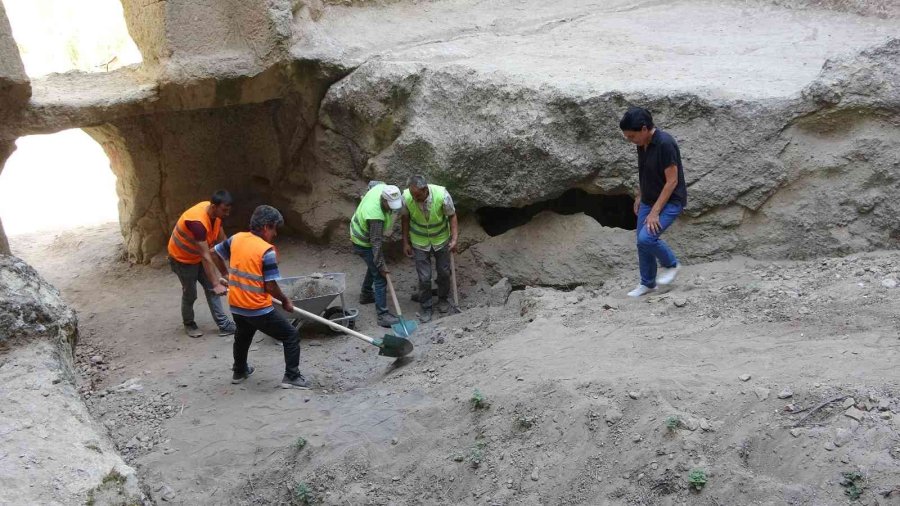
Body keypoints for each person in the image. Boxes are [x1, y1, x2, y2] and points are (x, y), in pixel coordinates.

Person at [211, 205, 311, 389]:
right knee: (290, 335)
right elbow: (270, 285)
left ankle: (239, 371)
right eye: (274, 229)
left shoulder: (236, 238)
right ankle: (292, 376)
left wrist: (225, 274)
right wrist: (286, 301)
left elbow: (214, 252)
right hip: (257, 308)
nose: (275, 234)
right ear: (266, 226)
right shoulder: (266, 251)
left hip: (236, 304)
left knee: (243, 336)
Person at [619, 106, 688, 297]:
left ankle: (672, 265)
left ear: (643, 129)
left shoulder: (665, 144)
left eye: (631, 136)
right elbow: (645, 173)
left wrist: (655, 211)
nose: (630, 141)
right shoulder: (642, 144)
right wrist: (640, 195)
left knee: (647, 238)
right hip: (649, 200)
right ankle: (648, 283)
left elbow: (672, 181)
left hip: (669, 202)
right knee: (642, 243)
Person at [167, 191, 235, 337]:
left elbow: (221, 245)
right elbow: (207, 255)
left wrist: (226, 273)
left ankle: (224, 325)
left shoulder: (216, 216)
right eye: (224, 210)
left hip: (197, 256)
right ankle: (189, 324)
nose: (227, 214)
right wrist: (217, 283)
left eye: (229, 210)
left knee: (212, 288)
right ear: (213, 207)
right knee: (190, 293)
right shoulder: (197, 223)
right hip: (182, 260)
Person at [401, 175, 458, 322]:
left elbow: (452, 215)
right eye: (412, 195)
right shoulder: (407, 197)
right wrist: (406, 242)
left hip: (441, 239)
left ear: (425, 190)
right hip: (419, 241)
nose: (414, 198)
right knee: (424, 277)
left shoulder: (442, 194)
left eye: (417, 195)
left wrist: (454, 239)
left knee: (444, 273)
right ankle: (426, 306)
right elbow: (405, 219)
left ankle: (443, 298)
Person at [350, 182, 404, 328]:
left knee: (372, 265)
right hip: (362, 241)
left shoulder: (381, 187)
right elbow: (376, 244)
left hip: (359, 232)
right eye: (390, 206)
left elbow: (372, 183)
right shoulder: (375, 217)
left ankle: (366, 294)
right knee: (380, 277)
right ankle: (382, 315)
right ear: (384, 200)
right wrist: (381, 265)